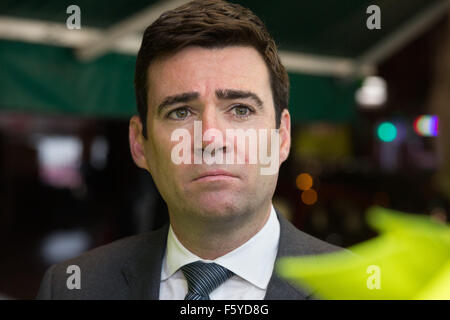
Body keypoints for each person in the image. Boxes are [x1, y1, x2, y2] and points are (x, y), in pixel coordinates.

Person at [36, 0, 342, 300]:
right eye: (181, 112)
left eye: (240, 109)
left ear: (282, 137)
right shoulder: (71, 289)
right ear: (139, 144)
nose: (210, 139)